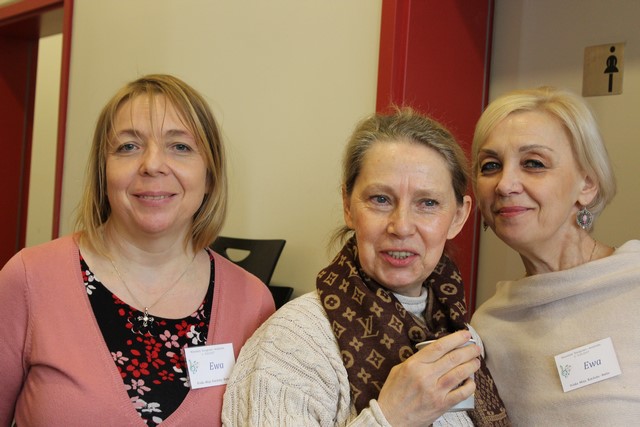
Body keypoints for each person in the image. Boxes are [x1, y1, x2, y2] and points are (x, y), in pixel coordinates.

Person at [0, 74, 275, 426]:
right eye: (128, 146)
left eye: (180, 147)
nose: (152, 165)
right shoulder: (30, 279)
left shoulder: (253, 303)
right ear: (103, 172)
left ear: (209, 175)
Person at [222, 108, 509, 426]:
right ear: (348, 205)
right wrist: (391, 417)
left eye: (427, 203)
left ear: (458, 217)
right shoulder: (294, 343)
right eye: (380, 199)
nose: (401, 226)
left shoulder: (460, 334)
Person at [470, 86, 640, 425]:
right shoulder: (488, 327)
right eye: (490, 166)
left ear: (587, 185)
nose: (504, 184)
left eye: (533, 163)